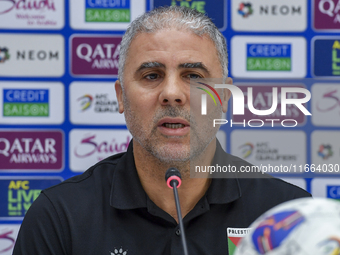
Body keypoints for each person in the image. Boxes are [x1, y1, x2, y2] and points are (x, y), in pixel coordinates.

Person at [13, 6, 311, 255]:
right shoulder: (59, 216)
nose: (172, 93)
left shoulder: (286, 212)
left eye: (193, 75)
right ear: (120, 97)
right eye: (151, 75)